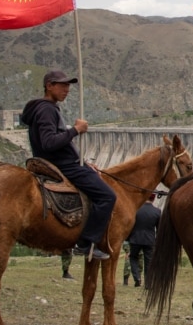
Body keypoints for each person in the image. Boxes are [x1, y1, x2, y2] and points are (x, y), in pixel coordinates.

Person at [21, 70, 115, 261]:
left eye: (68, 86)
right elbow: (49, 142)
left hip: (60, 161)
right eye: (62, 85)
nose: (67, 90)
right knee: (107, 196)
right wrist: (75, 130)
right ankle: (86, 242)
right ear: (49, 86)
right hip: (62, 165)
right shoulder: (46, 109)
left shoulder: (43, 108)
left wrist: (84, 162)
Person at [126, 197, 161, 288]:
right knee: (149, 261)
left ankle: (137, 277)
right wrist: (156, 240)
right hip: (149, 239)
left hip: (135, 238)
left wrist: (128, 238)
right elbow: (159, 229)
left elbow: (130, 225)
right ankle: (148, 283)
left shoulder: (136, 209)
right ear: (153, 199)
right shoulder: (157, 211)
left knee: (133, 258)